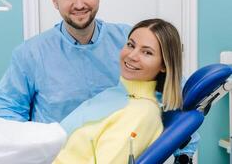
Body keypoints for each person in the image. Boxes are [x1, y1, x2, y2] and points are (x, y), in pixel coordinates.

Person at [0, 0, 197, 162]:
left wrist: (185, 153)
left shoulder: (130, 41)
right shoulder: (31, 53)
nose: (79, 4)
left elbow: (177, 93)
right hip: (54, 155)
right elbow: (9, 111)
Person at [53, 18, 182, 163]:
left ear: (164, 65)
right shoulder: (118, 95)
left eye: (147, 52)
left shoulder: (141, 113)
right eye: (130, 45)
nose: (132, 56)